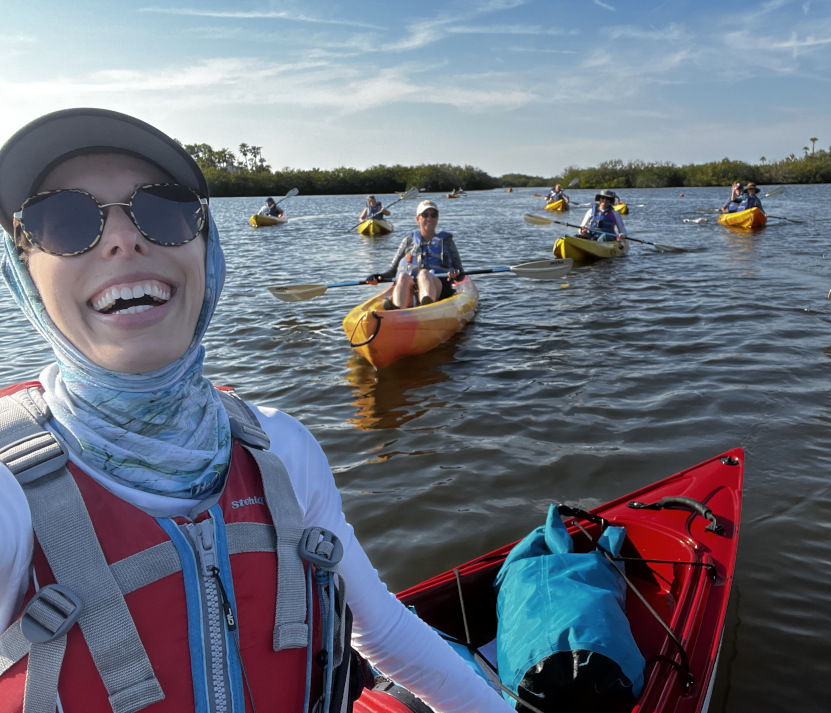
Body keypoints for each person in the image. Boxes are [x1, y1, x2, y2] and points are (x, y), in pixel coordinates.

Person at [0, 108, 512, 713]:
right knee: (405, 285)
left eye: (162, 210)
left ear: (205, 249)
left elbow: (382, 631)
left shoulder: (284, 450)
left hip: (436, 283)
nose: (122, 239)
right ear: (23, 273)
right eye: (62, 220)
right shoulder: (10, 491)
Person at [367, 200, 465, 309]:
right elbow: (392, 271)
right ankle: (398, 311)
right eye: (425, 215)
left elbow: (461, 274)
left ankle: (426, 308)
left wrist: (455, 273)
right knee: (403, 276)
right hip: (412, 288)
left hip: (439, 287)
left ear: (437, 219)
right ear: (418, 219)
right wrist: (377, 277)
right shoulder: (408, 241)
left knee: (423, 274)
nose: (429, 218)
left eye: (433, 215)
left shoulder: (446, 242)